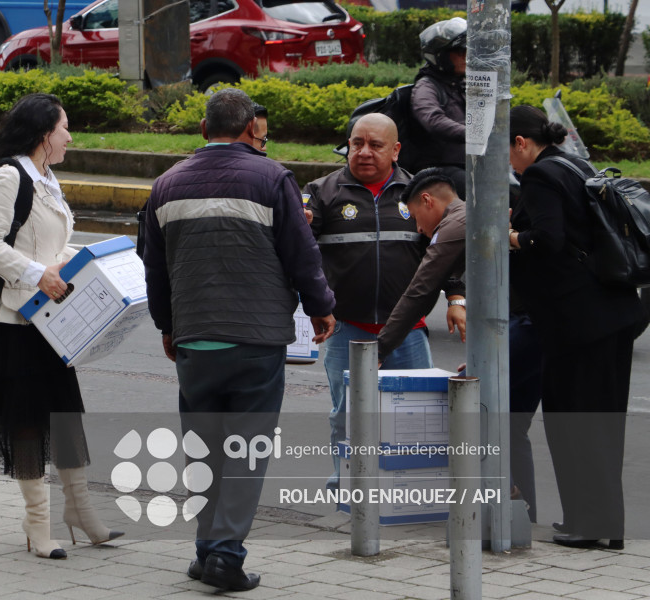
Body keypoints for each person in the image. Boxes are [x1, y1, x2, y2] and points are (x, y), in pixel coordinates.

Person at [143, 88, 335, 591]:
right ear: (252, 128)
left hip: (195, 340)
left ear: (203, 130)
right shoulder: (273, 178)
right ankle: (225, 554)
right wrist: (321, 307)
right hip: (255, 341)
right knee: (246, 449)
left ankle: (207, 551)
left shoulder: (165, 186)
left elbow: (155, 272)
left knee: (203, 450)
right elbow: (302, 253)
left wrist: (168, 326)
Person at [0, 93, 122, 559]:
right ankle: (38, 525)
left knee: (67, 419)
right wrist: (37, 274)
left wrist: (78, 264)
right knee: (27, 424)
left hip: (51, 323)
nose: (70, 136)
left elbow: (48, 245)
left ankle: (82, 514)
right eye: (64, 128)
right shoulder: (10, 176)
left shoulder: (47, 178)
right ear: (43, 134)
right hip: (14, 322)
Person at [508, 104, 644, 549]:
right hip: (611, 315)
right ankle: (606, 525)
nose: (506, 164)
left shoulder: (541, 175)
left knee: (571, 424)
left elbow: (547, 240)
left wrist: (509, 236)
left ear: (521, 143)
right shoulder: (574, 163)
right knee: (603, 426)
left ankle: (587, 526)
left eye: (505, 152)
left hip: (577, 324)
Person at [303, 113, 433, 490]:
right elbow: (302, 254)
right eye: (356, 143)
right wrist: (315, 305)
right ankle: (347, 480)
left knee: (416, 410)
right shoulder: (321, 191)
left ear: (395, 151)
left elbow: (441, 249)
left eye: (375, 145)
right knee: (346, 413)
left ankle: (414, 484)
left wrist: (456, 295)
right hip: (348, 326)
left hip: (408, 328)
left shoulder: (417, 193)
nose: (363, 152)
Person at [376, 168, 466, 363]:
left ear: (427, 200)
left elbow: (420, 290)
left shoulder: (452, 227)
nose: (418, 228)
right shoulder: (467, 216)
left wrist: (380, 349)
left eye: (416, 217)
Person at [410, 17, 467, 198]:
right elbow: (433, 120)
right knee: (481, 188)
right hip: (439, 168)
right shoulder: (426, 87)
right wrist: (472, 133)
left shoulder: (459, 84)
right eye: (460, 51)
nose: (466, 56)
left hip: (468, 162)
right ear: (441, 55)